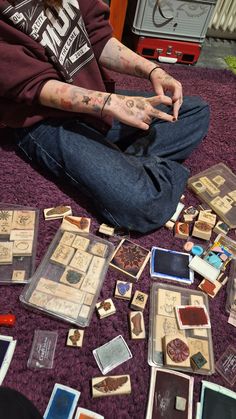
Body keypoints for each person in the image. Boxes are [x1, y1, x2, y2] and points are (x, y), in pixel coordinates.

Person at [0, 0, 209, 233]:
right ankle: (130, 169)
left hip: (90, 88)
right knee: (143, 207)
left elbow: (97, 37)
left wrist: (153, 70)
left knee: (195, 112)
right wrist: (108, 103)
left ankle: (126, 165)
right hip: (41, 117)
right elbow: (30, 84)